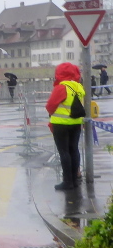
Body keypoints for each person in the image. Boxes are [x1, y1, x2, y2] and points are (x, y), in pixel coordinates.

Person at [45, 62, 85, 191]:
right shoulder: (79, 87)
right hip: (76, 123)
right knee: (74, 150)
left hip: (61, 124)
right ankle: (75, 180)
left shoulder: (62, 87)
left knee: (64, 152)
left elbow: (50, 105)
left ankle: (67, 182)